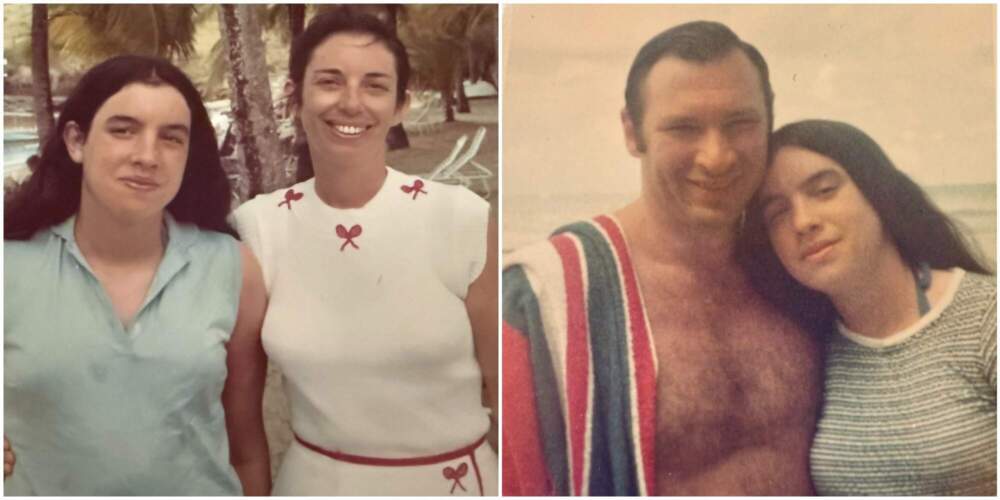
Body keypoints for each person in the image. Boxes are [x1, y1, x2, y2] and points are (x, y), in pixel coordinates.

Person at [502, 20, 822, 495]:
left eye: (740, 124)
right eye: (683, 128)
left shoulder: (799, 272)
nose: (717, 157)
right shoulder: (545, 296)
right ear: (633, 133)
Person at [231, 10, 498, 496]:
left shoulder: (462, 219)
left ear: (400, 106)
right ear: (295, 98)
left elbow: (512, 398)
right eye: (330, 82)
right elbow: (242, 427)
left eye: (375, 86)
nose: (351, 103)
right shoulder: (259, 228)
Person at [3, 55, 270, 495]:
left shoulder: (232, 268)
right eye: (123, 130)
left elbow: (247, 448)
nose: (147, 156)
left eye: (171, 138)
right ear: (76, 141)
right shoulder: (9, 267)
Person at [742, 119, 996, 495]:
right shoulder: (811, 352)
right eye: (777, 213)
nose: (802, 221)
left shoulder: (986, 316)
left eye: (824, 190)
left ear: (879, 193)